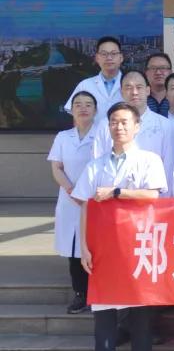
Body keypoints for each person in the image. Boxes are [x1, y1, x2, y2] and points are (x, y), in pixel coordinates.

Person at [72, 103, 168, 351]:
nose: (119, 127)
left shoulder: (149, 160)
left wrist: (117, 192)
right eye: (114, 122)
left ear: (137, 127)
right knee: (103, 310)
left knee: (140, 312)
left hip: (138, 244)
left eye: (125, 122)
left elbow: (153, 196)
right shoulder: (96, 165)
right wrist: (84, 247)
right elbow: (85, 206)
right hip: (103, 247)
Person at [48, 90, 98, 315]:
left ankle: (98, 294)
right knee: (73, 248)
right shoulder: (62, 137)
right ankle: (81, 294)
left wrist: (85, 193)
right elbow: (56, 167)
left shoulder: (103, 135)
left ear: (95, 110)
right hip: (70, 200)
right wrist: (72, 191)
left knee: (94, 246)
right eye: (78, 104)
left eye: (88, 104)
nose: (83, 108)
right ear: (71, 110)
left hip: (95, 199)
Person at [92, 71, 174, 190]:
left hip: (152, 193)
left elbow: (169, 165)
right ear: (121, 92)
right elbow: (97, 161)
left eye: (139, 87)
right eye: (128, 88)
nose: (134, 92)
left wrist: (162, 197)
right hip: (112, 194)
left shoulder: (164, 124)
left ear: (148, 90)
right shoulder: (105, 124)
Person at [64, 36, 125, 123]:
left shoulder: (131, 86)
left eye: (113, 53)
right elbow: (74, 115)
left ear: (121, 57)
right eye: (104, 54)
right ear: (97, 58)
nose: (109, 58)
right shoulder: (84, 85)